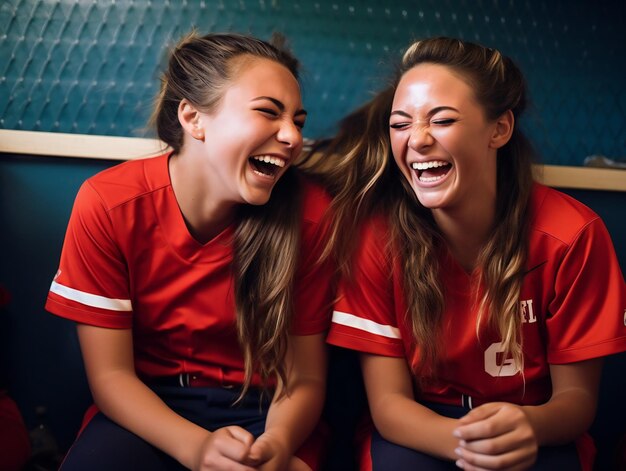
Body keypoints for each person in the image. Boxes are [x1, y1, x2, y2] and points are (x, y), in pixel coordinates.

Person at [317, 37, 626, 470]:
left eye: (441, 120)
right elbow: (389, 406)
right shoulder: (376, 238)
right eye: (400, 124)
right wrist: (468, 447)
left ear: (498, 129)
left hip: (532, 428)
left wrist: (528, 427)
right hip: (421, 430)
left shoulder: (573, 235)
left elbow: (576, 403)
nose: (417, 139)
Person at [45, 32, 334, 471]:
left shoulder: (311, 215)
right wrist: (197, 449)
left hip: (267, 412)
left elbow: (305, 379)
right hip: (148, 409)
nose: (292, 136)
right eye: (268, 113)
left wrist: (275, 445)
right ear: (193, 118)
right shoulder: (108, 203)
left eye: (298, 120)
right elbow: (111, 377)